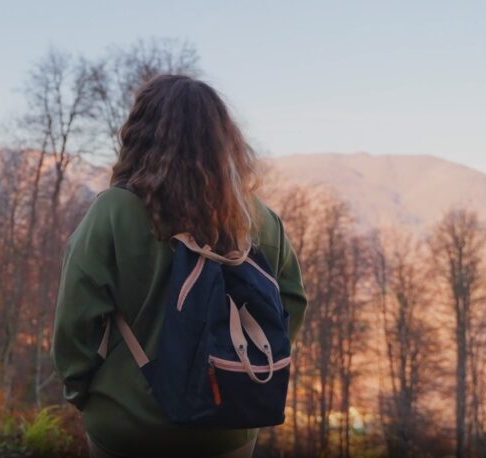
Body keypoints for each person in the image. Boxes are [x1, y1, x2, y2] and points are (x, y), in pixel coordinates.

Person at [52, 75, 307, 458]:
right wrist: (248, 366)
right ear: (225, 140)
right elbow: (292, 303)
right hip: (229, 422)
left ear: (139, 134)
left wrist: (82, 391)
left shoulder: (113, 214)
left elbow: (75, 321)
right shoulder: (257, 221)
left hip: (126, 422)